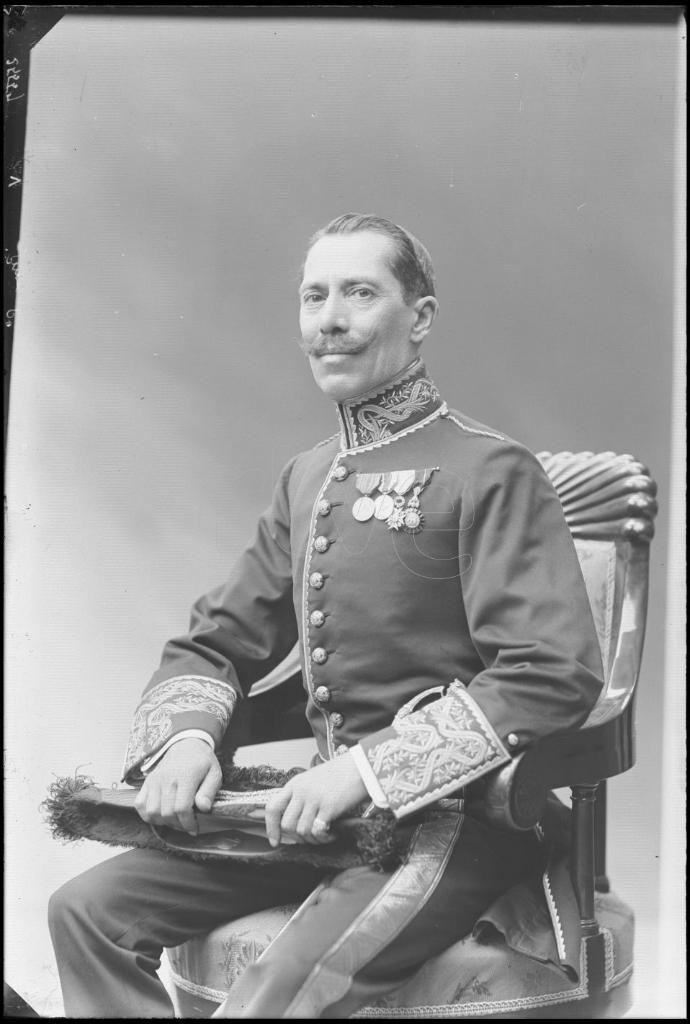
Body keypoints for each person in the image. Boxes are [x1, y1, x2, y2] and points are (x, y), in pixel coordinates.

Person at [48, 213, 604, 1018]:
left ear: (420, 319)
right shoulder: (307, 477)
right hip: (317, 814)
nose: (330, 320)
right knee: (85, 914)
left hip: (453, 823)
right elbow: (215, 642)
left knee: (271, 996)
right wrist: (188, 742)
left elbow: (552, 669)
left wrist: (364, 771)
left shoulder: (490, 469)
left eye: (359, 293)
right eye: (314, 296)